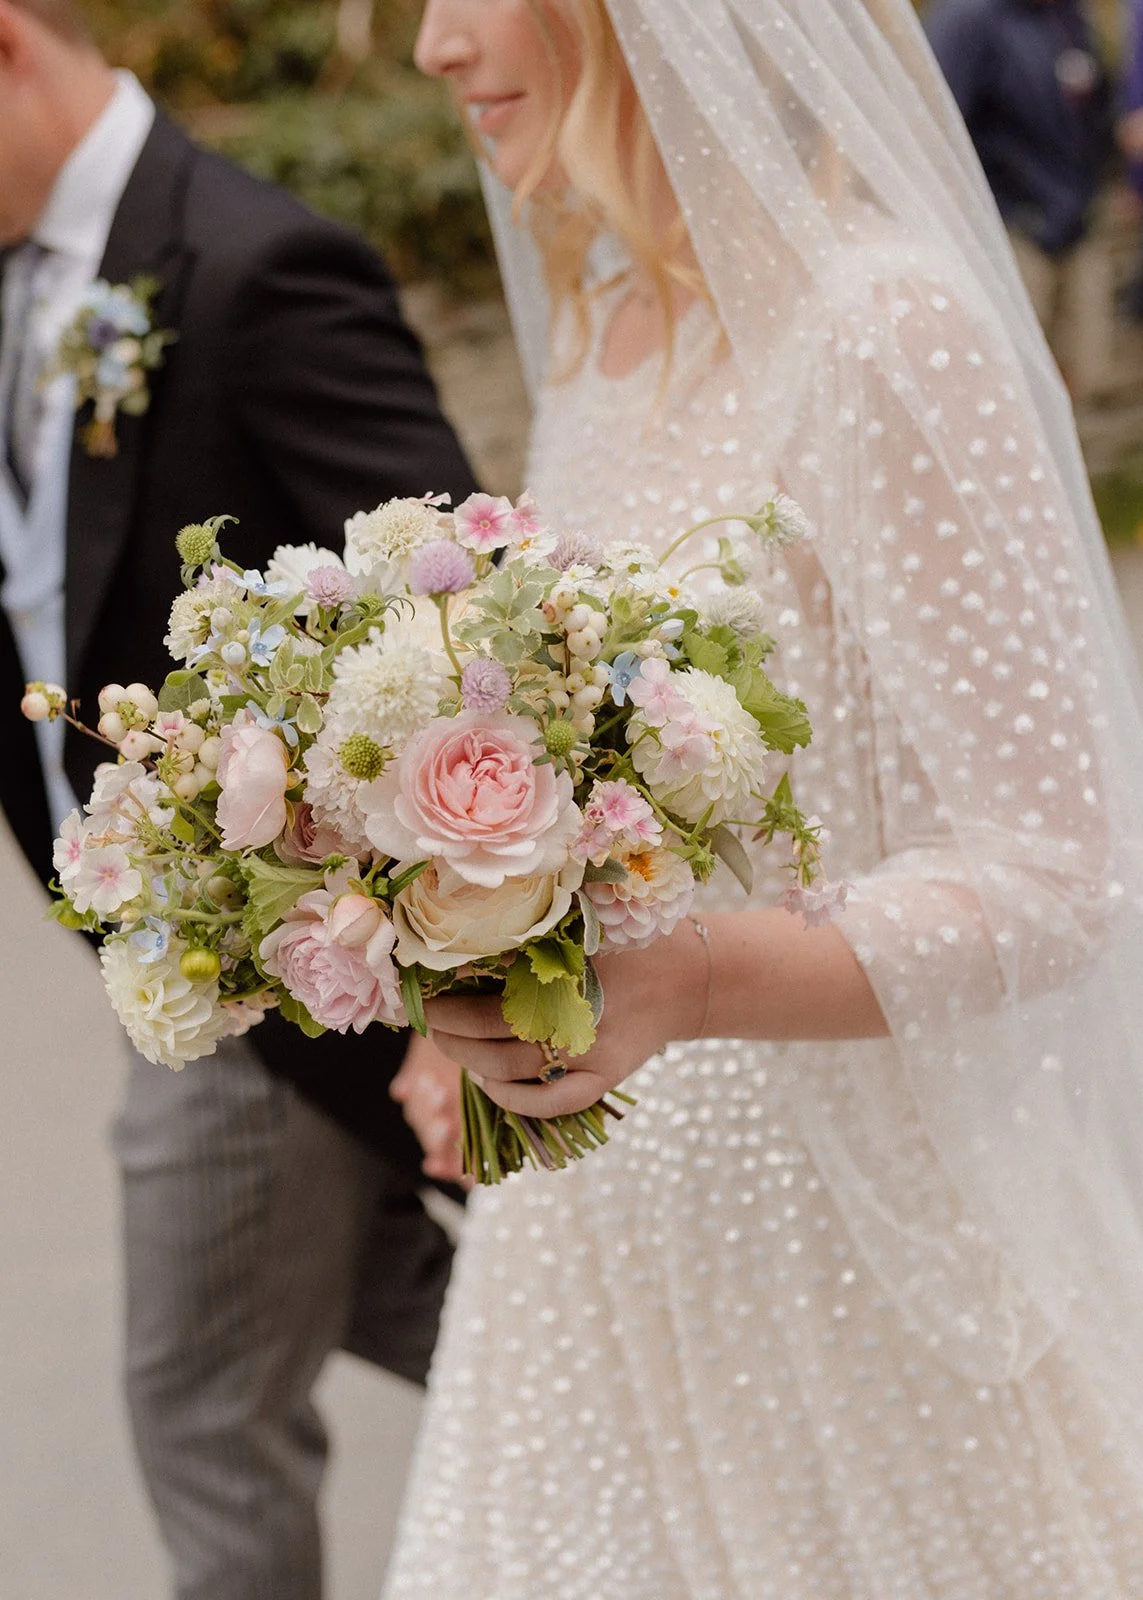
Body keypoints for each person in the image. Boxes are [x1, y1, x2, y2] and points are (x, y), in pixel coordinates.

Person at [383, 0, 1143, 1594]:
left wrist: (693, 979)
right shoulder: (611, 324)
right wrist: (472, 983)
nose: (434, 46)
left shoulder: (880, 332)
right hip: (593, 1245)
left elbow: (1055, 867)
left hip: (844, 1249)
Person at [0, 3, 478, 1597]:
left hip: (276, 964)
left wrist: (420, 964)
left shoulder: (259, 265)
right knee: (403, 1303)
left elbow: (439, 610)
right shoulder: (27, 276)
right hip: (155, 946)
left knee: (196, 1402)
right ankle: (630, 1413)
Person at [923, 0, 1114, 392]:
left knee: (1084, 376)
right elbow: (939, 130)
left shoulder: (1067, 17)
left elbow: (1092, 107)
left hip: (1076, 223)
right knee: (1013, 380)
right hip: (1009, 232)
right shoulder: (965, 22)